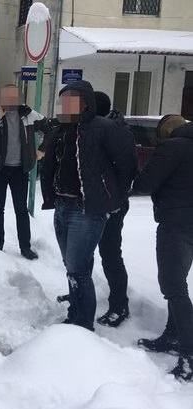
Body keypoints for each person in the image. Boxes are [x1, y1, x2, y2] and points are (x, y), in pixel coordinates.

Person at [40, 80, 136, 331]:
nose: (65, 105)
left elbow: (126, 165)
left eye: (71, 99)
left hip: (86, 209)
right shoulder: (60, 130)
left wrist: (112, 195)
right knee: (72, 266)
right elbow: (48, 161)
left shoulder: (103, 128)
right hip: (62, 205)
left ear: (86, 102)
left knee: (78, 269)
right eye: (63, 100)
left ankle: (82, 325)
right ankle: (75, 312)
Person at [134, 115, 193, 381]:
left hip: (177, 224)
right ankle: (172, 335)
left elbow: (146, 183)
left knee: (173, 286)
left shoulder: (172, 147)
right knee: (178, 284)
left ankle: (189, 356)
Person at [0, 84, 43, 260]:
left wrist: (42, 149)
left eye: (14, 96)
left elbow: (50, 129)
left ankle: (25, 247)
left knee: (21, 210)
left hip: (19, 170)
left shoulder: (29, 115)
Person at [93, 91, 137, 327]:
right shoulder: (93, 128)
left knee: (110, 254)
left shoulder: (117, 133)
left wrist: (115, 202)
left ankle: (120, 305)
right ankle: (82, 294)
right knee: (83, 253)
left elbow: (126, 170)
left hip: (112, 204)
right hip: (91, 203)